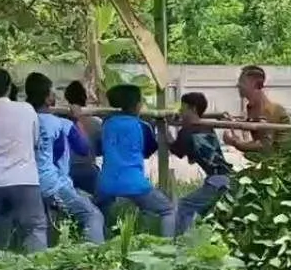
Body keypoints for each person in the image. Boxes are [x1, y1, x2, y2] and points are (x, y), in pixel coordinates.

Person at [0, 68, 47, 256]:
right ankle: (38, 268)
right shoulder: (27, 110)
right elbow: (36, 140)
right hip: (26, 180)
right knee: (34, 227)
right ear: (10, 87)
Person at [28, 73, 105, 245]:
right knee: (92, 216)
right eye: (52, 92)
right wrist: (77, 120)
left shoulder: (24, 120)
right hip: (53, 184)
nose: (55, 96)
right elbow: (85, 149)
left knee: (38, 227)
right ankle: (95, 257)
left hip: (27, 183)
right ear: (48, 99)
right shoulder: (62, 124)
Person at [96, 84, 176, 237]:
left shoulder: (106, 123)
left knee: (101, 213)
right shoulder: (142, 126)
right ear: (137, 104)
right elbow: (148, 151)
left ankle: (104, 245)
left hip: (106, 183)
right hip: (134, 183)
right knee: (167, 210)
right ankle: (167, 247)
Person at [169, 93, 234, 235]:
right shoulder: (206, 127)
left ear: (192, 108)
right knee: (208, 213)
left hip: (216, 181)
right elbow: (193, 157)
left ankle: (180, 242)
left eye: (183, 108)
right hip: (228, 178)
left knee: (185, 205)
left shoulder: (186, 132)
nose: (180, 111)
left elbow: (176, 150)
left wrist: (164, 129)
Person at [223, 66, 291, 159]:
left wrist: (236, 143)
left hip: (281, 161)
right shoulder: (251, 107)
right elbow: (253, 124)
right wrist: (232, 121)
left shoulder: (270, 110)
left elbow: (265, 145)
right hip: (270, 159)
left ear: (254, 84)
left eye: (242, 82)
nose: (238, 85)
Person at [63, 81, 103, 196]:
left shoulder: (59, 121)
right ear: (85, 99)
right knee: (103, 198)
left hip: (65, 170)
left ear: (67, 99)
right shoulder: (96, 123)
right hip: (88, 168)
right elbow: (100, 151)